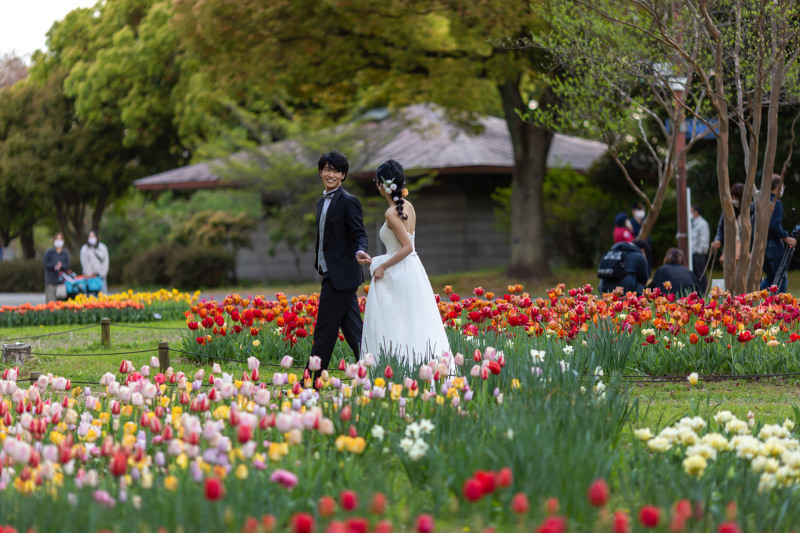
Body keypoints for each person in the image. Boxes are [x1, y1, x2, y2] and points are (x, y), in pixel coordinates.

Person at [361, 160, 451, 370]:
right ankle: (417, 366)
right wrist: (374, 260)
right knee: (413, 320)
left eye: (377, 181)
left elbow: (406, 247)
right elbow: (404, 248)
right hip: (412, 269)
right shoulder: (408, 206)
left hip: (398, 272)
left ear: (383, 185)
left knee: (395, 321)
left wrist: (381, 266)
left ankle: (401, 368)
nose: (376, 185)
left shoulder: (391, 213)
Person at [307, 150, 371, 385]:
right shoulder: (320, 202)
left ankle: (309, 384)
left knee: (324, 332)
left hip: (342, 274)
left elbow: (359, 234)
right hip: (331, 274)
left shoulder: (349, 201)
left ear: (343, 174)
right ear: (320, 172)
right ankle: (375, 375)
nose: (330, 174)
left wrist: (359, 251)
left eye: (335, 170)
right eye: (326, 169)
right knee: (356, 334)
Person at [760, 175, 797, 292]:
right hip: (774, 246)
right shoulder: (776, 203)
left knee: (770, 278)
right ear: (778, 187)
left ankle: (757, 300)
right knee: (781, 278)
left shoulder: (762, 202)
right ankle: (778, 306)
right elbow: (774, 226)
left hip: (762, 246)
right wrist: (786, 237)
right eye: (782, 185)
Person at [710, 183, 745, 264]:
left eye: (736, 197)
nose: (734, 199)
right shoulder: (728, 211)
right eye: (733, 196)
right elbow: (721, 229)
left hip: (746, 248)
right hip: (730, 247)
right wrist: (718, 240)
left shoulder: (752, 211)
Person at [43, 233, 70, 303]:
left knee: (61, 303)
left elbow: (67, 264)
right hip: (51, 280)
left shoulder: (65, 253)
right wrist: (54, 265)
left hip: (61, 282)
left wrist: (61, 265)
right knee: (51, 303)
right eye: (57, 239)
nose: (59, 241)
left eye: (60, 239)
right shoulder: (49, 252)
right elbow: (45, 263)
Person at [690, 204, 710, 293]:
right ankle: (696, 292)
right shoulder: (692, 223)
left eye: (691, 211)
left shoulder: (702, 223)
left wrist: (701, 251)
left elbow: (704, 238)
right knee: (694, 274)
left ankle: (703, 292)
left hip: (699, 253)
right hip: (693, 252)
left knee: (700, 274)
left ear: (696, 212)